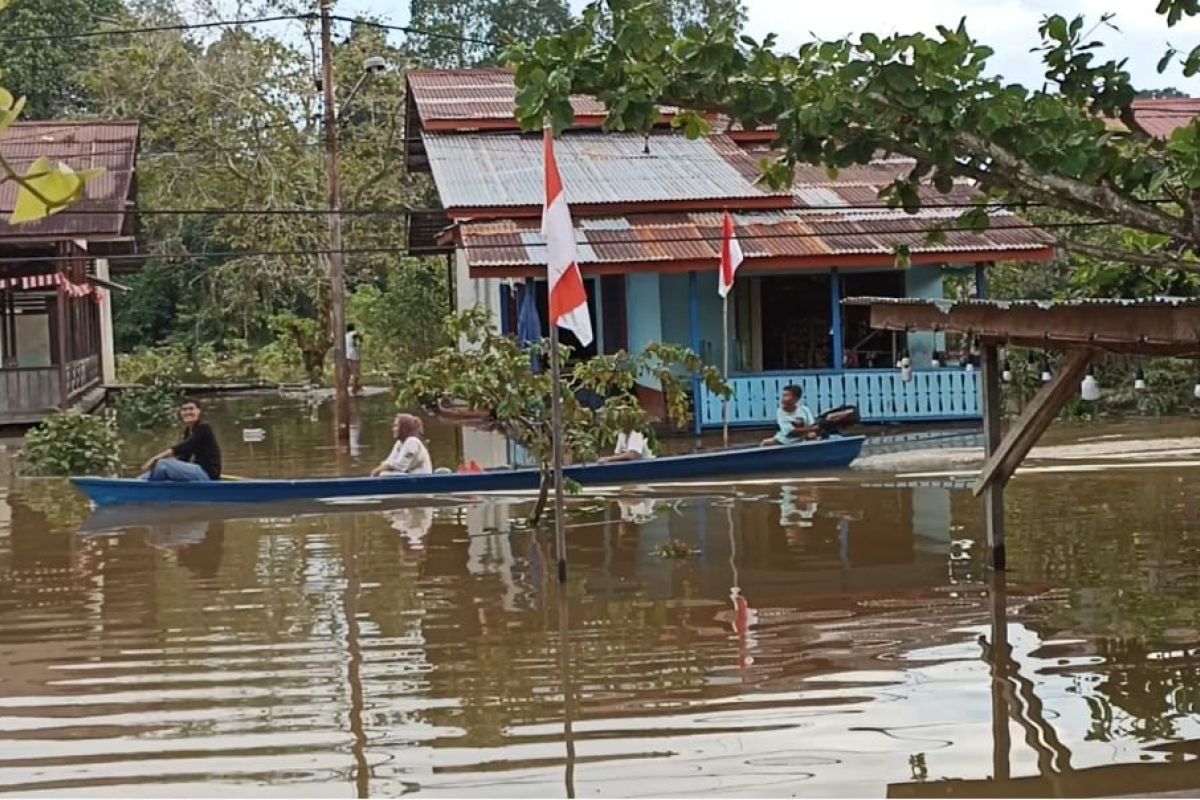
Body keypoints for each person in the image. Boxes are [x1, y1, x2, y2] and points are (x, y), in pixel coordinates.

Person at [140, 398, 222, 481]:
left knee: (162, 464)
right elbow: (184, 457)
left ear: (199, 411)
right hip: (197, 471)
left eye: (191, 409)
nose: (187, 412)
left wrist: (155, 458)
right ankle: (142, 485)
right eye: (184, 410)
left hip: (206, 474)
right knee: (149, 474)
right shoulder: (188, 431)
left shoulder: (204, 427)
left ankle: (152, 489)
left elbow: (184, 446)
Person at [346, 324, 363, 396]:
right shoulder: (354, 333)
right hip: (354, 356)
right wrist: (360, 339)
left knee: (348, 373)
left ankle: (346, 388)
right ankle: (354, 388)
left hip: (346, 356)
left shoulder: (345, 335)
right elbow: (359, 337)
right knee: (356, 372)